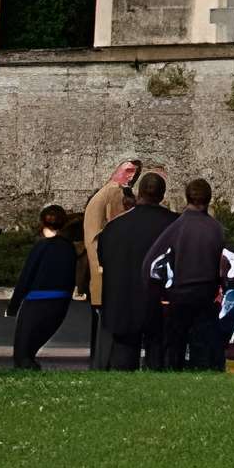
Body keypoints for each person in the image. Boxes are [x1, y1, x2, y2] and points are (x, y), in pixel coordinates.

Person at [145, 177, 230, 371]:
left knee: (176, 346)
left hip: (180, 295)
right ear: (209, 199)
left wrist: (156, 290)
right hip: (206, 295)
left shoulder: (177, 227)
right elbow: (227, 264)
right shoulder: (216, 229)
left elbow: (152, 263)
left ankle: (174, 372)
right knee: (203, 348)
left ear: (187, 198)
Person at [92, 171, 172, 373]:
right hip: (159, 302)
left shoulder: (114, 228)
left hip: (123, 300)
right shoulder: (174, 225)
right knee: (159, 361)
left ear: (138, 193)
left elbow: (104, 259)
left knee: (123, 362)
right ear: (162, 196)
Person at [78, 157, 137, 368]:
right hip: (106, 269)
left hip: (97, 265)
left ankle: (99, 362)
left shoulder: (102, 193)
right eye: (128, 171)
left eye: (134, 173)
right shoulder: (114, 193)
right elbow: (118, 228)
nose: (131, 176)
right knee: (110, 327)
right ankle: (105, 363)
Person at [6, 207, 77, 371]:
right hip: (60, 301)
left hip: (36, 301)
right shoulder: (69, 248)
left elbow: (26, 277)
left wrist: (13, 306)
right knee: (32, 346)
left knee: (23, 352)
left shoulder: (41, 247)